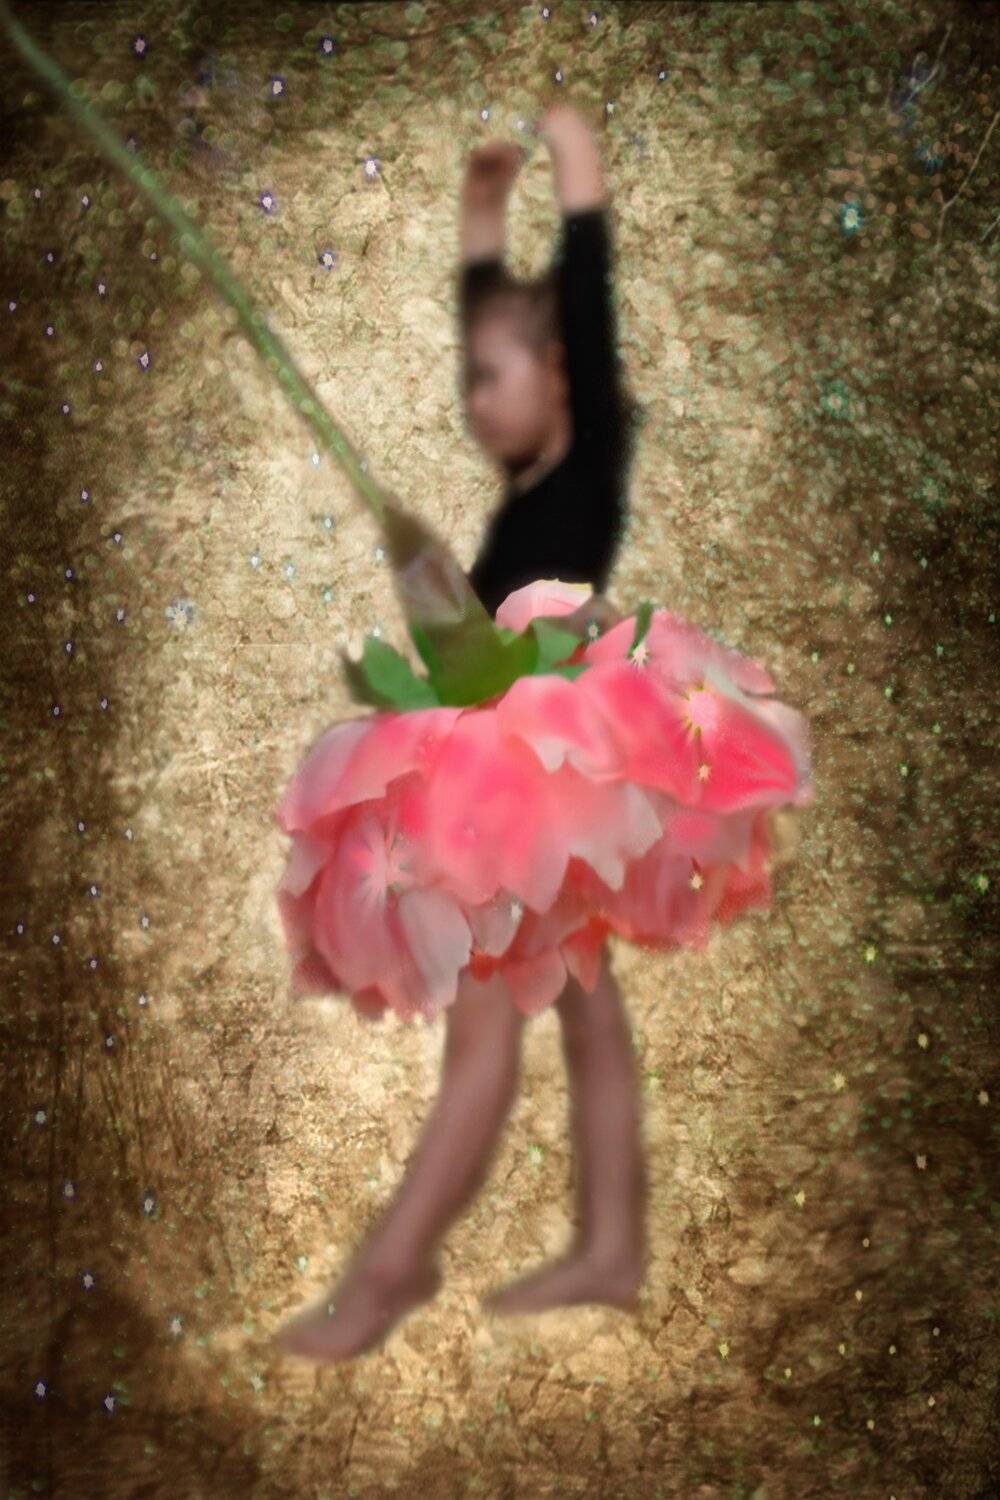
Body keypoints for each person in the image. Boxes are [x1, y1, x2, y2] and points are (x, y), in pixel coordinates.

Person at [270, 104, 814, 1363]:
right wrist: (478, 210)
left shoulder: (587, 457)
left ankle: (388, 1277)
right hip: (534, 786)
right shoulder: (523, 499)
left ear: (559, 370)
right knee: (583, 1010)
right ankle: (611, 1244)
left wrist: (573, 167)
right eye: (465, 377)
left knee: (483, 1036)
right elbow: (474, 639)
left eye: (489, 376)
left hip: (535, 786)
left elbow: (588, 303)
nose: (471, 402)